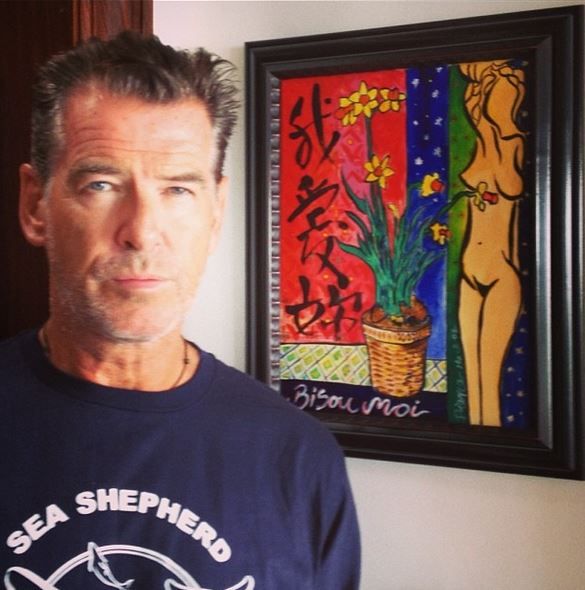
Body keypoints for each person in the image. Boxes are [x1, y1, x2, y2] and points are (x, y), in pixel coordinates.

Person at [0, 32, 360, 589]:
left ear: (216, 214)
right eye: (101, 184)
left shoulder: (296, 457)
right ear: (35, 206)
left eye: (178, 190)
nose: (142, 231)